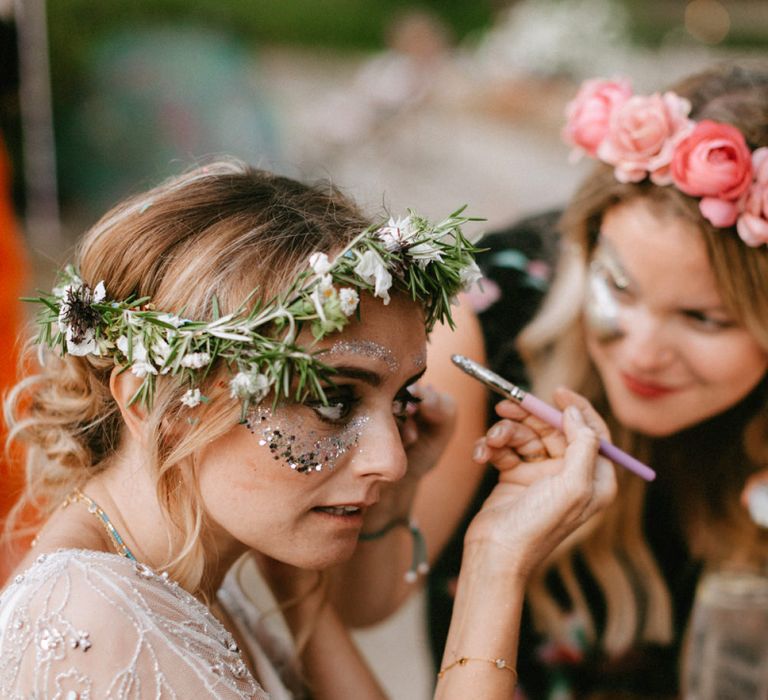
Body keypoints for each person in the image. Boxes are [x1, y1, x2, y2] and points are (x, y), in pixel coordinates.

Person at [0, 160, 616, 699]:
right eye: (329, 399)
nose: (393, 462)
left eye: (399, 400)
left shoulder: (179, 573)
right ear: (154, 399)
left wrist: (301, 590)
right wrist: (494, 564)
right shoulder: (92, 622)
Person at [384, 61, 768, 698]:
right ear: (586, 243)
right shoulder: (487, 317)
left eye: (704, 318)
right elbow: (364, 602)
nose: (642, 353)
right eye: (619, 286)